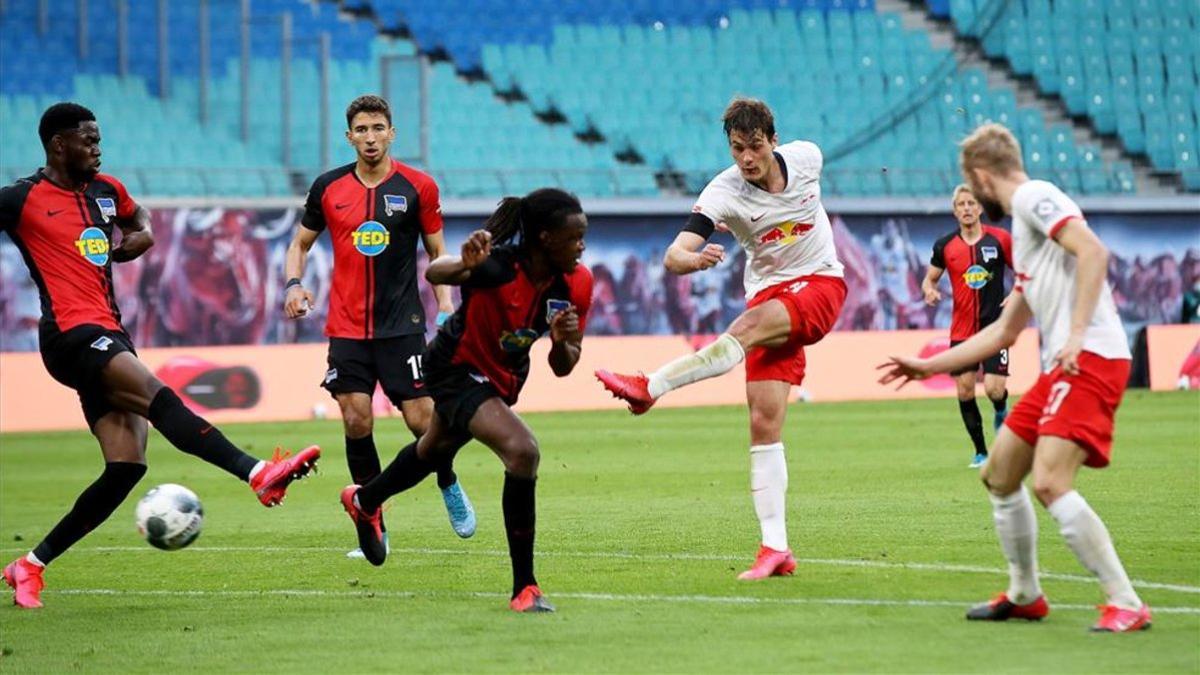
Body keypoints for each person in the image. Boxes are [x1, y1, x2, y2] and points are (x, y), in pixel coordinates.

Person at [0, 103, 320, 609]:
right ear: (58, 145)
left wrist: (142, 234)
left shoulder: (108, 191)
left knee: (126, 466)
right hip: (68, 335)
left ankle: (29, 566)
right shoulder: (21, 199)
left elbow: (139, 217)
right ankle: (258, 473)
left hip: (110, 332)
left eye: (100, 139)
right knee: (159, 396)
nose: (98, 148)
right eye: (88, 140)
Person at [878, 123, 1151, 633]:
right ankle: (1025, 593)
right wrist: (929, 366)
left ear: (980, 176)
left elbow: (1093, 252)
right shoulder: (1026, 237)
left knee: (1049, 481)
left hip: (1090, 355)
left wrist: (1072, 334)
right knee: (1000, 475)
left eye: (971, 187)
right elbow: (1004, 330)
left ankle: (1127, 600)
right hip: (1064, 364)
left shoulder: (1033, 197)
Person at [595, 98, 847, 580]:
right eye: (737, 148)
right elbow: (674, 254)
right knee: (763, 422)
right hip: (769, 295)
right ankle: (776, 548)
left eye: (755, 146)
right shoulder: (723, 191)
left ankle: (651, 387)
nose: (747, 158)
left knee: (745, 330)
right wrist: (691, 260)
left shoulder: (808, 158)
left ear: (773, 140)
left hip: (820, 284)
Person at [339, 188, 592, 613]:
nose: (582, 246)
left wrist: (563, 342)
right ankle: (524, 587)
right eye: (574, 237)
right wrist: (462, 264)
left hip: (502, 376)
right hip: (454, 369)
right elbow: (436, 273)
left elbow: (564, 365)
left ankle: (364, 501)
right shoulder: (497, 267)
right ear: (545, 238)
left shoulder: (577, 283)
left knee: (433, 448)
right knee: (522, 451)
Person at [283, 95, 475, 557]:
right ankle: (372, 521)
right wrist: (293, 284)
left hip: (402, 326)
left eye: (378, 128)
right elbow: (299, 244)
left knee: (422, 421)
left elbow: (437, 254)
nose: (370, 138)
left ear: (392, 133)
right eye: (362, 130)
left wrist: (446, 309)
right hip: (347, 327)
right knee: (355, 418)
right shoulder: (327, 188)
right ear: (349, 137)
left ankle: (447, 479)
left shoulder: (417, 187)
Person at [921, 185, 1013, 468]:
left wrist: (1016, 296)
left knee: (995, 389)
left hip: (995, 329)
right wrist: (929, 290)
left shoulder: (1000, 240)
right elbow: (930, 279)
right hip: (962, 331)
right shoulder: (945, 246)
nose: (967, 208)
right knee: (964, 391)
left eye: (972, 203)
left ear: (981, 207)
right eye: (961, 204)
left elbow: (1025, 273)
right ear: (955, 210)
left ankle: (1000, 411)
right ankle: (981, 452)